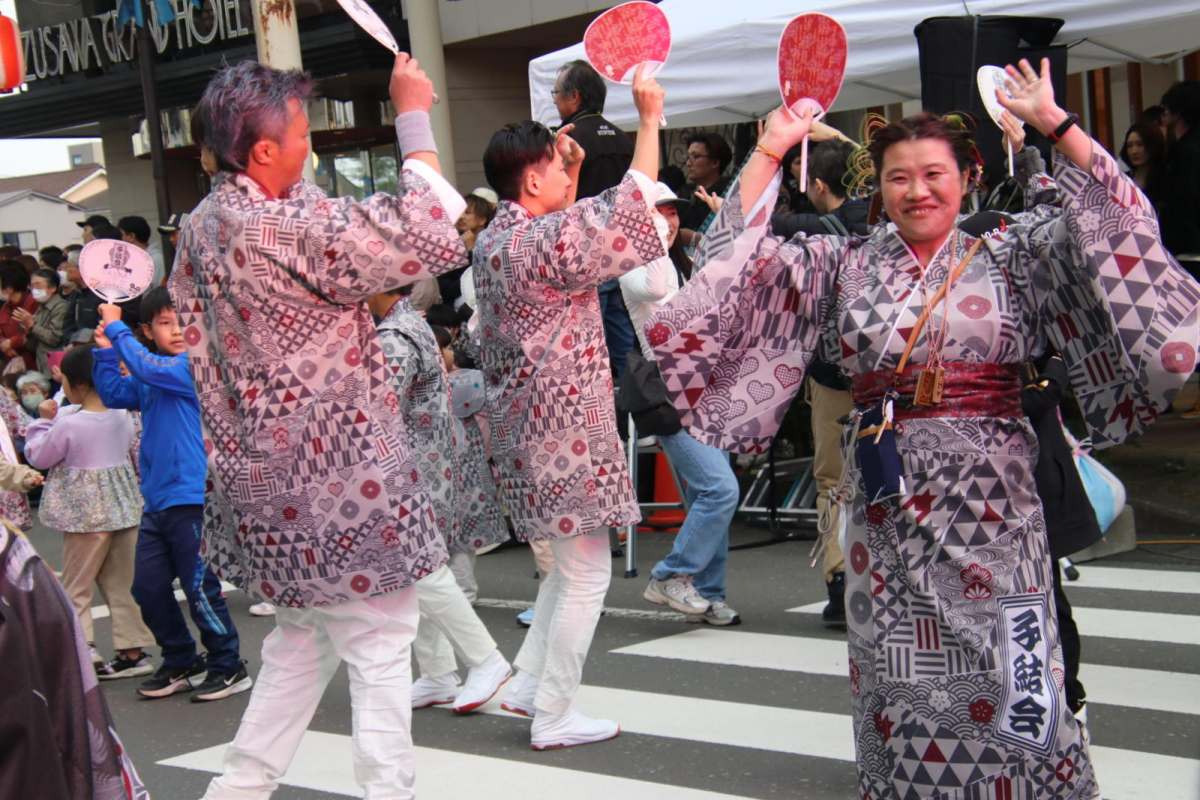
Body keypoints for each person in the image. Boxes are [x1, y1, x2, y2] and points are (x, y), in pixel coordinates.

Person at [649, 58, 1200, 799]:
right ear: (878, 187)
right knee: (898, 668)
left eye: (934, 174)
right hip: (890, 498)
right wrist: (771, 148)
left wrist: (1056, 125)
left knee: (1012, 659)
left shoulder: (1016, 253)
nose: (918, 191)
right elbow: (729, 263)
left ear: (966, 179)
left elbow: (1120, 220)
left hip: (996, 498)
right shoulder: (842, 264)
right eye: (899, 177)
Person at [172, 54, 466, 800]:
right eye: (302, 134)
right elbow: (426, 229)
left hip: (263, 475)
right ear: (263, 151)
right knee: (377, 646)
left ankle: (237, 789)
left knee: (301, 642)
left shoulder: (205, 224)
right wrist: (411, 114)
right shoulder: (283, 220)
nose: (312, 146)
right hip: (340, 471)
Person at [475, 66, 664, 749]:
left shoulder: (494, 239)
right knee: (588, 569)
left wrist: (570, 176)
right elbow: (630, 213)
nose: (564, 172)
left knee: (569, 561)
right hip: (564, 424)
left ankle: (528, 688)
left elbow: (570, 236)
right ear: (532, 179)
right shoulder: (543, 240)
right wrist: (648, 122)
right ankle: (554, 712)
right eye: (555, 166)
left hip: (523, 422)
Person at [93, 288, 249, 702]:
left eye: (183, 320)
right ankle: (181, 659)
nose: (178, 329)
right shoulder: (153, 372)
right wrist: (108, 351)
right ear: (148, 330)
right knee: (146, 587)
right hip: (158, 501)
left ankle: (228, 664)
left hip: (193, 497)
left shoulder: (193, 367)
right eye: (165, 322)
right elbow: (113, 394)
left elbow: (144, 371)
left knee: (199, 589)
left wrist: (115, 325)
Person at [368, 287, 512, 714]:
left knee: (423, 571)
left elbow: (378, 408)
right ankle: (438, 674)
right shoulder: (410, 325)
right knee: (418, 574)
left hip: (405, 470)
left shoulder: (394, 335)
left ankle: (485, 660)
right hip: (424, 466)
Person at [619, 183, 742, 626]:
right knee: (719, 489)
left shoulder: (680, 264)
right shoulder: (635, 266)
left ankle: (708, 592)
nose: (668, 220)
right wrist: (650, 230)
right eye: (659, 213)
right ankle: (671, 575)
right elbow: (654, 287)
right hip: (671, 391)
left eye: (672, 213)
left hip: (707, 387)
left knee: (709, 494)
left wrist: (729, 220)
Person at [23, 344, 155, 680]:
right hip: (123, 507)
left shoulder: (70, 425)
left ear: (79, 386)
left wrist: (41, 423)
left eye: (64, 381)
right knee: (121, 582)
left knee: (77, 586)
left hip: (86, 516)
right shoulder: (122, 414)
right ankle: (133, 651)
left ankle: (86, 651)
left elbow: (39, 456)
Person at [553, 60, 639, 379]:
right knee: (621, 327)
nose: (554, 101)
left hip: (585, 248)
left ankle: (600, 402)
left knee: (591, 333)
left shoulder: (567, 140)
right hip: (624, 247)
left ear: (574, 96)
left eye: (556, 93)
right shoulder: (622, 137)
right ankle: (632, 394)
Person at [1158, 82, 1200, 261]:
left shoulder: (1187, 151)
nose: (1164, 112)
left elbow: (1185, 198)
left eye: (1168, 107)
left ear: (1179, 111)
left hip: (1188, 247)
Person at [677, 132, 733, 247]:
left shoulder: (728, 195)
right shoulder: (683, 195)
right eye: (687, 157)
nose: (688, 163)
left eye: (696, 157)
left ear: (715, 162)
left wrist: (695, 238)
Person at [16, 268, 68, 376]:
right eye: (32, 286)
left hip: (57, 366)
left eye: (38, 285)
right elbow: (31, 345)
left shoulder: (61, 307)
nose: (34, 289)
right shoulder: (41, 307)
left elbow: (55, 339)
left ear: (53, 288)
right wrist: (29, 331)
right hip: (42, 366)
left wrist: (32, 324)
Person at [0, 262, 39, 372]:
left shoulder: (33, 302)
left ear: (8, 288)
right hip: (12, 362)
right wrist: (3, 344)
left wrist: (12, 343)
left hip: (33, 363)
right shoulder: (5, 307)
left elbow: (37, 331)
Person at [1119, 121, 1167, 203]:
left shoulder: (1165, 180)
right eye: (1129, 146)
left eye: (1140, 144)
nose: (1134, 151)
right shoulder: (1123, 180)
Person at [117, 216, 165, 290]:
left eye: (121, 235)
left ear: (131, 236)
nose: (120, 241)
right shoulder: (131, 260)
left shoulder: (156, 260)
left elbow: (160, 293)